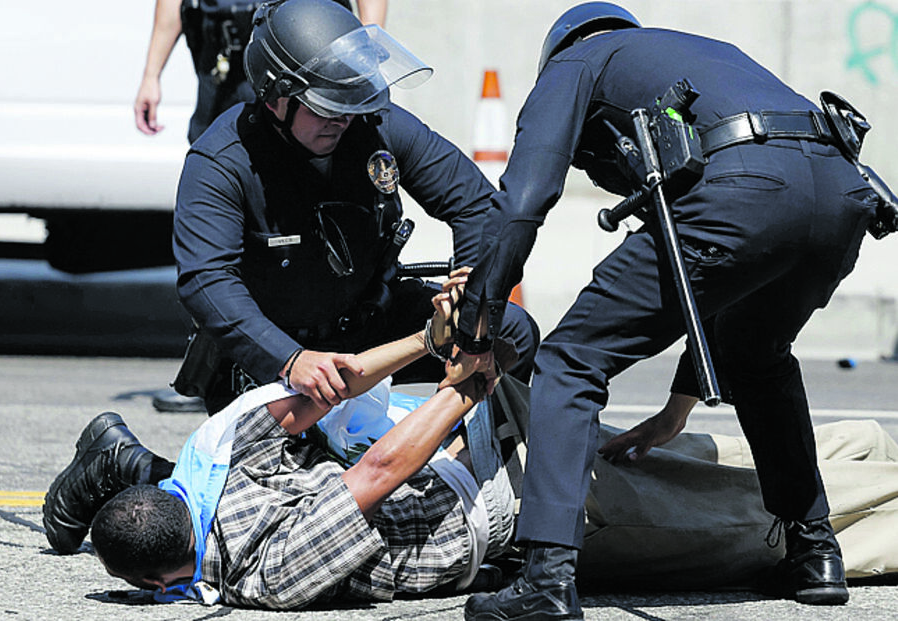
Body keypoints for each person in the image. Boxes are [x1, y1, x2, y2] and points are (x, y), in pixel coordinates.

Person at [446, 3, 889, 618]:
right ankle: (815, 550)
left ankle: (546, 577)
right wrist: (677, 407)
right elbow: (713, 284)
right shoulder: (700, 57)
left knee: (571, 360)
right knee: (758, 358)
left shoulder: (577, 62)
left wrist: (477, 321)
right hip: (842, 197)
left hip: (745, 192)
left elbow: (523, 201)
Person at [43, 271, 525, 608]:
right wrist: (462, 364)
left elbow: (349, 426)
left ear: (154, 583)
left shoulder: (262, 574)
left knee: (556, 403)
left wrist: (446, 351)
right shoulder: (219, 470)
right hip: (461, 481)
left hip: (458, 484)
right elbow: (352, 426)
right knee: (553, 385)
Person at [172, 0, 538, 415]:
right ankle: (124, 459)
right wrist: (289, 361)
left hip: (369, 325)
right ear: (276, 97)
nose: (343, 119)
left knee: (511, 333)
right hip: (276, 354)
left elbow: (476, 205)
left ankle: (467, 466)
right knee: (305, 476)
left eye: (351, 101)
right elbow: (206, 280)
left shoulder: (372, 123)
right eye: (327, 106)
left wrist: (472, 313)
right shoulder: (220, 161)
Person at [134, 0, 389, 144]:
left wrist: (364, 56)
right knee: (216, 156)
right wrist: (151, 76)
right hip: (224, 62)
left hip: (301, 58)